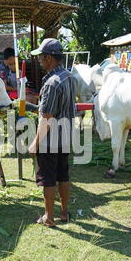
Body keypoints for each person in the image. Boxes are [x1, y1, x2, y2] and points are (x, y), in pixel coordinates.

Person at [28, 38, 77, 228]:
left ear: (49, 58)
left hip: (50, 140)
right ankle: (64, 212)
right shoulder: (69, 76)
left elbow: (46, 118)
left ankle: (49, 218)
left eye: (41, 57)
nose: (39, 60)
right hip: (65, 135)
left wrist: (35, 143)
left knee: (48, 179)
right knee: (63, 175)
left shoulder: (51, 83)